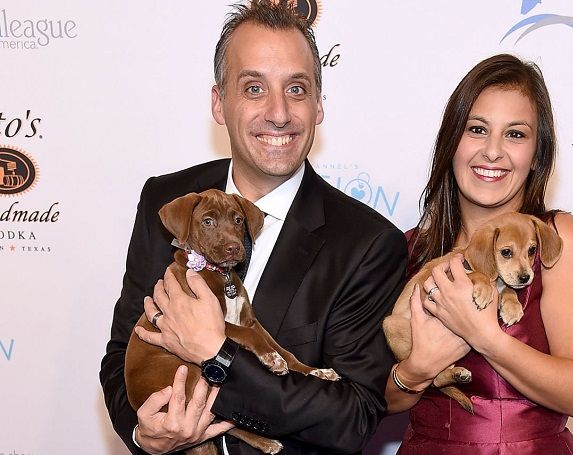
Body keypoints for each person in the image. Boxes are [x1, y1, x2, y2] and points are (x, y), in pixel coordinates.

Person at [99, 2, 407, 454]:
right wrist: (143, 434)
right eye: (254, 87)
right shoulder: (164, 202)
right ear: (218, 103)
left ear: (319, 105)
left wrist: (219, 354)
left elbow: (353, 417)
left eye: (297, 89)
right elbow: (122, 353)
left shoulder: (367, 244)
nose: (278, 112)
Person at [383, 54, 573, 454]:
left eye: (516, 134)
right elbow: (376, 403)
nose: (492, 152)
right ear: (452, 141)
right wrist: (416, 370)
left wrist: (483, 335)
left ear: (538, 154)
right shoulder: (410, 249)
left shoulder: (557, 239)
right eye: (477, 129)